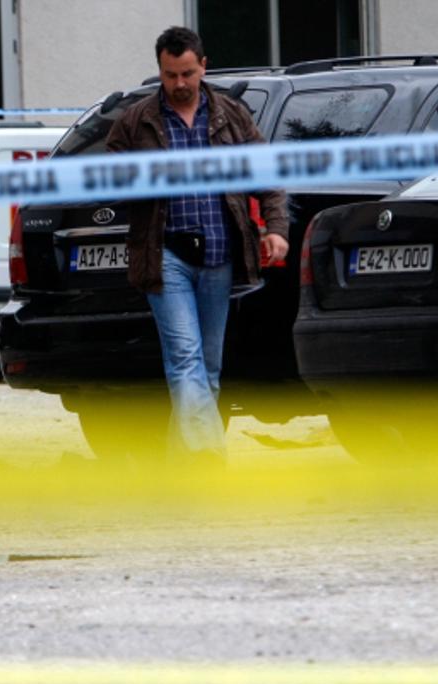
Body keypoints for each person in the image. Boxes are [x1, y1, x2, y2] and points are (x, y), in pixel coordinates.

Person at [106, 26, 289, 463]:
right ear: (160, 72)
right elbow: (108, 180)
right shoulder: (136, 121)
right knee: (185, 360)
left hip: (219, 254)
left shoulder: (230, 114)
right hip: (164, 254)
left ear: (203, 66)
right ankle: (209, 459)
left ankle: (179, 468)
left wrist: (276, 227)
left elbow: (268, 176)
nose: (180, 84)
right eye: (170, 75)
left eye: (187, 73)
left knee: (208, 371)